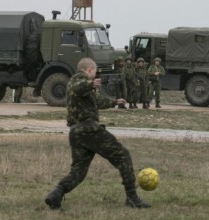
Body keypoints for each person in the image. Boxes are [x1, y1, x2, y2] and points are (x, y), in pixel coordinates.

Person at [45, 57, 151, 210]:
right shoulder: (78, 79)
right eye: (94, 73)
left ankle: (56, 195)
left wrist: (115, 102)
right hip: (90, 130)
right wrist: (90, 83)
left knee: (78, 172)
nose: (95, 76)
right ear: (89, 70)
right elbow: (78, 86)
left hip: (76, 133)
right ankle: (132, 198)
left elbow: (97, 101)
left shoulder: (83, 86)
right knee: (123, 156)